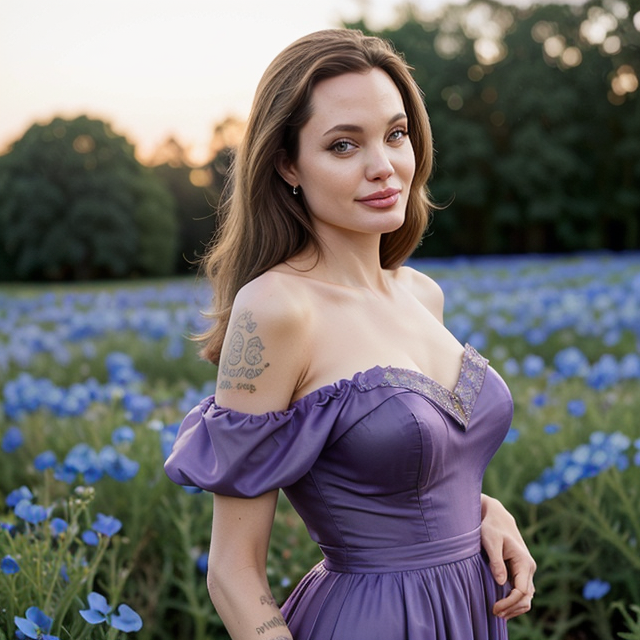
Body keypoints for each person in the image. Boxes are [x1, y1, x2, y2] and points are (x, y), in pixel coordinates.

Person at [165, 28, 535, 640]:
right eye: (343, 145)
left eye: (396, 134)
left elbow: (421, 470)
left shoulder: (421, 293)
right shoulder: (277, 309)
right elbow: (232, 572)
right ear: (288, 163)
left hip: (468, 615)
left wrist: (485, 512)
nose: (383, 166)